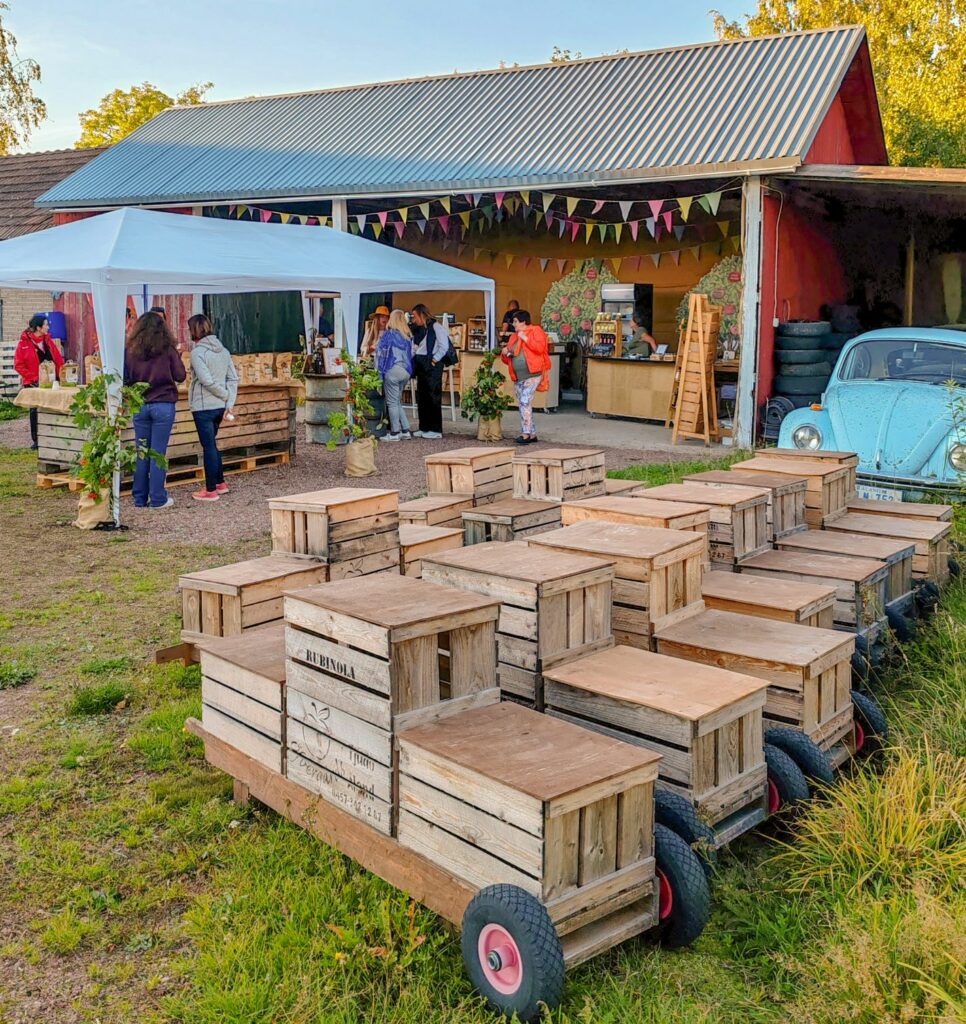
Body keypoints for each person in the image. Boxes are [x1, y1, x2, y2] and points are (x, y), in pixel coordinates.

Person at [124, 311, 186, 509]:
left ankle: (139, 498)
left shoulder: (130, 350)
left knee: (142, 452)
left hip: (140, 405)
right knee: (157, 452)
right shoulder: (167, 349)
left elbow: (125, 378)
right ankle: (158, 498)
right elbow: (180, 375)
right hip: (163, 404)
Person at [187, 313, 238, 502]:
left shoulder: (197, 353)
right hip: (220, 407)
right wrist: (229, 402)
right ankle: (220, 483)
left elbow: (205, 380)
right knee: (212, 445)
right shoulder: (224, 351)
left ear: (193, 331)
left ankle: (210, 490)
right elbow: (233, 378)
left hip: (203, 406)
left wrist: (225, 395)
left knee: (208, 446)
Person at [14, 314, 65, 450]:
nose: (48, 327)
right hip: (33, 383)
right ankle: (37, 440)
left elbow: (58, 359)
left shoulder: (48, 341)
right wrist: (34, 378)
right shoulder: (23, 344)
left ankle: (52, 437)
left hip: (52, 381)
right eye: (46, 324)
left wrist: (62, 375)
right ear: (38, 327)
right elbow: (18, 365)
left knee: (52, 407)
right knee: (35, 411)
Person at [501, 309, 551, 445]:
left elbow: (540, 348)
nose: (513, 324)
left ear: (523, 321)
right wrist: (505, 353)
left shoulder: (536, 331)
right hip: (518, 376)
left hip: (533, 374)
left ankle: (526, 433)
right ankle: (532, 433)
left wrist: (525, 338)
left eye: (516, 321)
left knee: (524, 401)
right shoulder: (513, 337)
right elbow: (508, 359)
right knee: (524, 404)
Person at [410, 304, 449, 439]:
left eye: (415, 316)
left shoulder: (436, 327)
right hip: (421, 362)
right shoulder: (421, 330)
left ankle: (435, 429)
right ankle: (424, 426)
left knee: (433, 395)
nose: (414, 320)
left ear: (421, 314)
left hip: (432, 363)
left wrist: (435, 359)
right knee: (422, 396)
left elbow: (444, 346)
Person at [376, 310, 414, 441]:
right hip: (405, 371)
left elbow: (380, 354)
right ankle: (405, 430)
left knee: (391, 403)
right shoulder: (407, 336)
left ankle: (394, 433)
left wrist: (379, 372)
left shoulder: (389, 335)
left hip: (392, 371)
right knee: (397, 401)